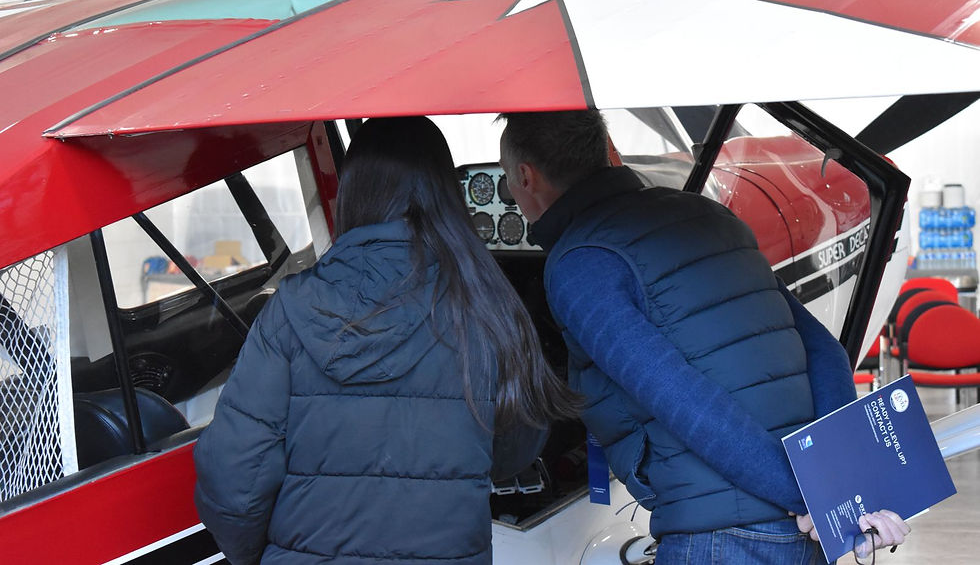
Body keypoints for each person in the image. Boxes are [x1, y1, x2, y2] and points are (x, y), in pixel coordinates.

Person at [497, 110, 910, 564]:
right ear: (609, 153)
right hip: (801, 528)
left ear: (524, 177)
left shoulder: (580, 262)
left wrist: (805, 496)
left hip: (721, 537)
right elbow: (825, 352)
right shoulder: (710, 216)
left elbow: (679, 396)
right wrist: (832, 489)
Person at [194, 116, 578, 565]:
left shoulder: (288, 310)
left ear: (354, 194)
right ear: (448, 195)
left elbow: (232, 477)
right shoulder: (488, 304)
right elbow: (514, 446)